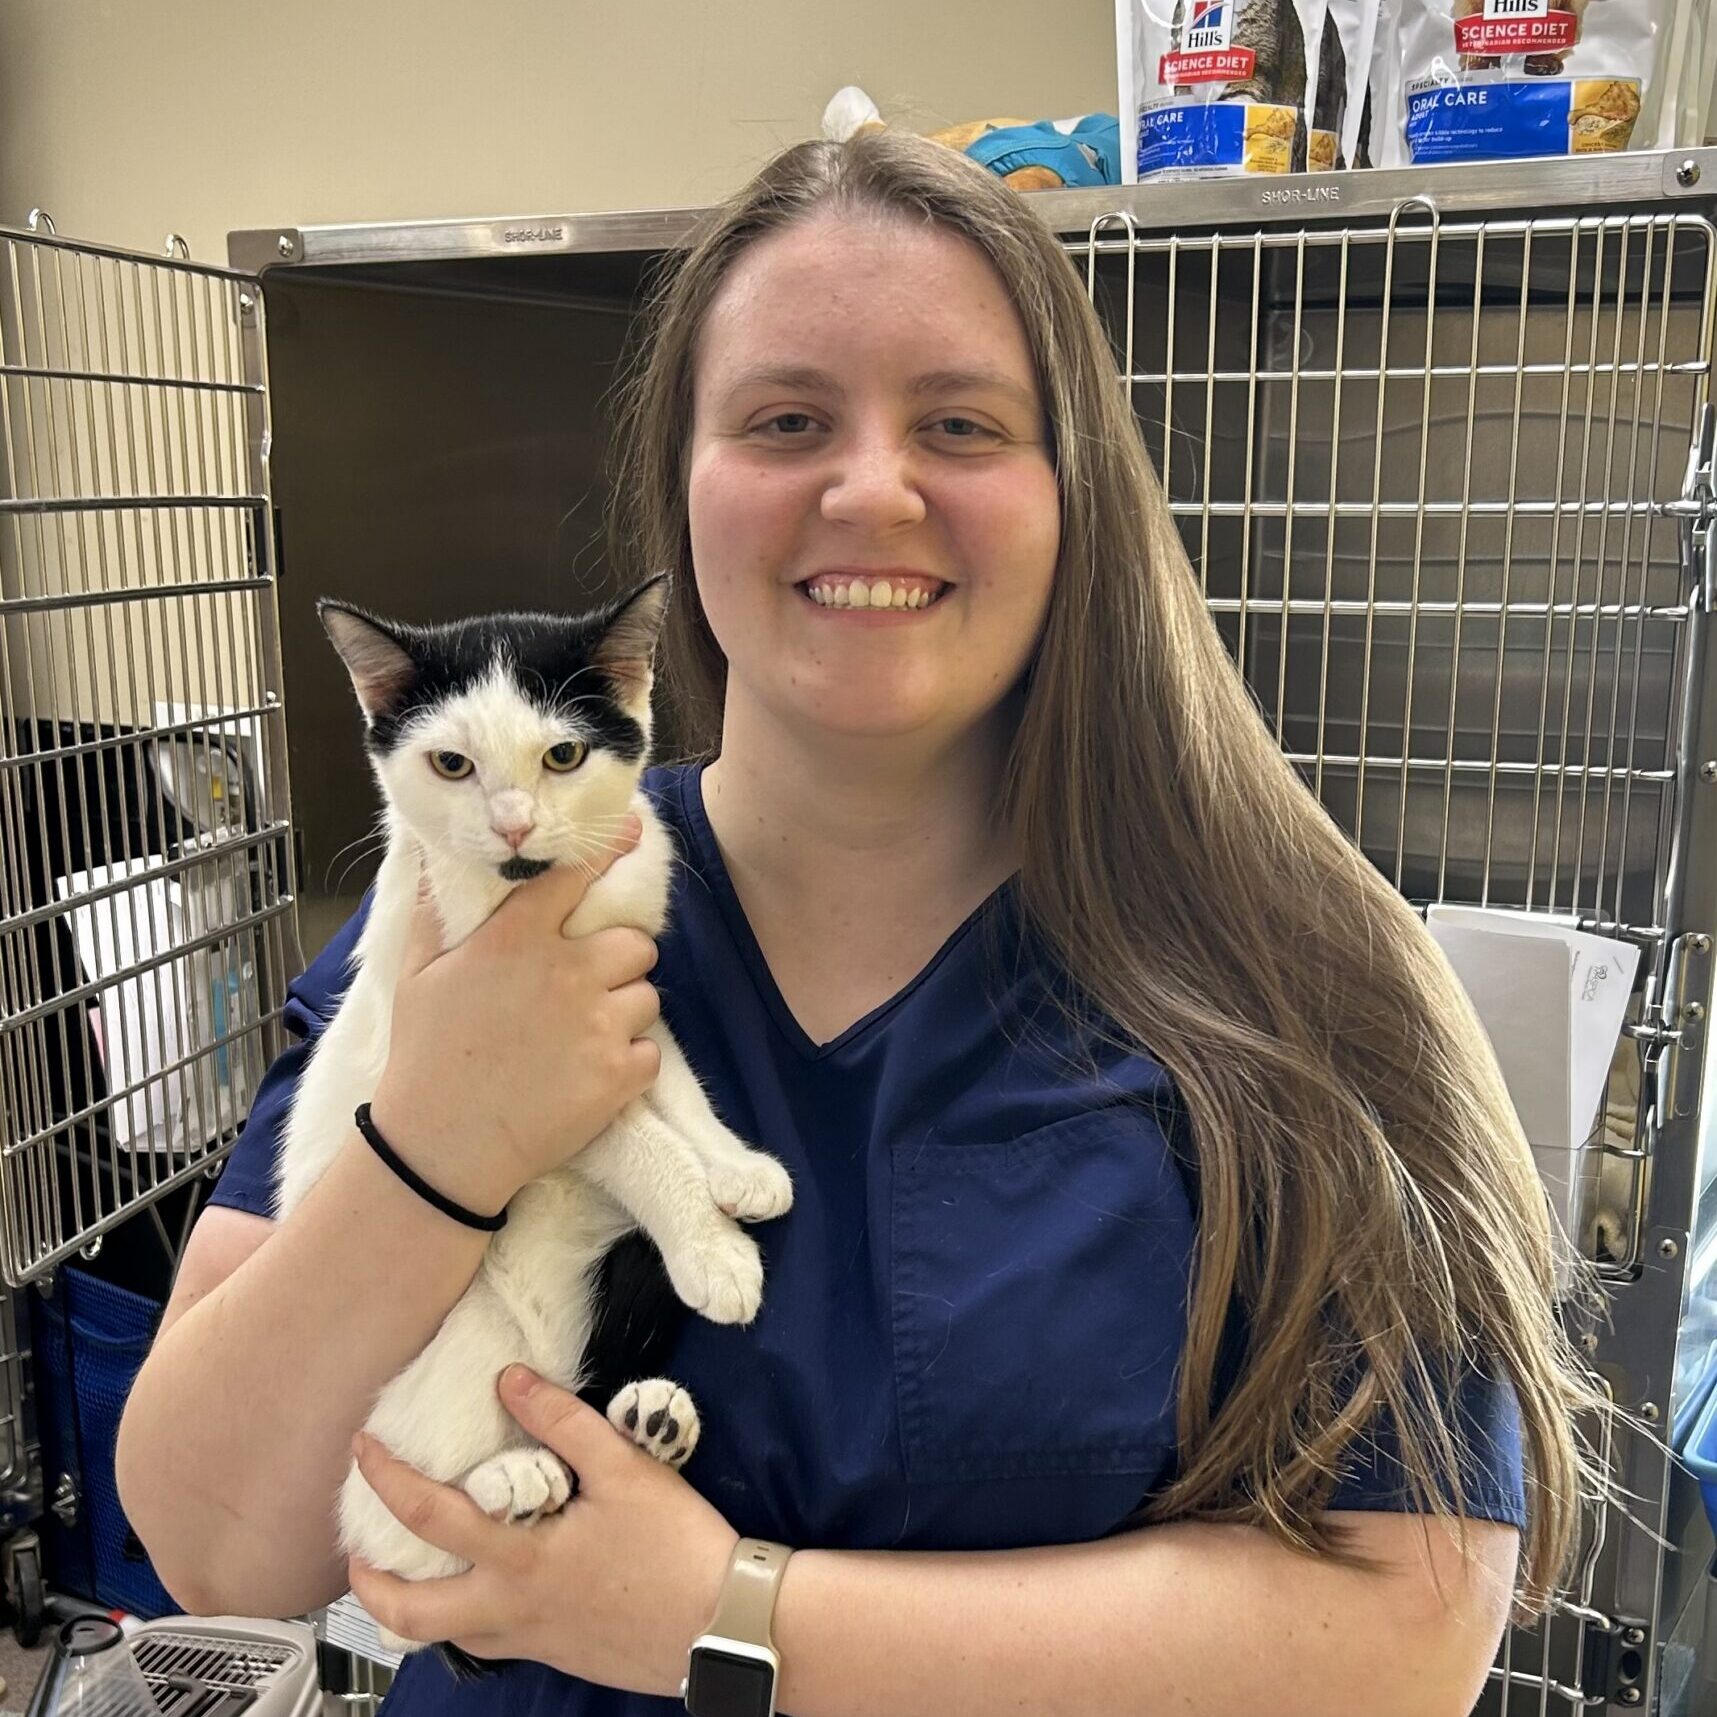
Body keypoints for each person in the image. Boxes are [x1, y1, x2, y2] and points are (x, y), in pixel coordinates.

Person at [116, 131, 1606, 1716]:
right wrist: (432, 1144)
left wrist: (724, 1617)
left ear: (1074, 493)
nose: (871, 488)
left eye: (958, 423)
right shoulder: (457, 924)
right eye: (786, 421)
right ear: (682, 493)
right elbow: (219, 1545)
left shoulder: (1300, 977)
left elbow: (1401, 1634)